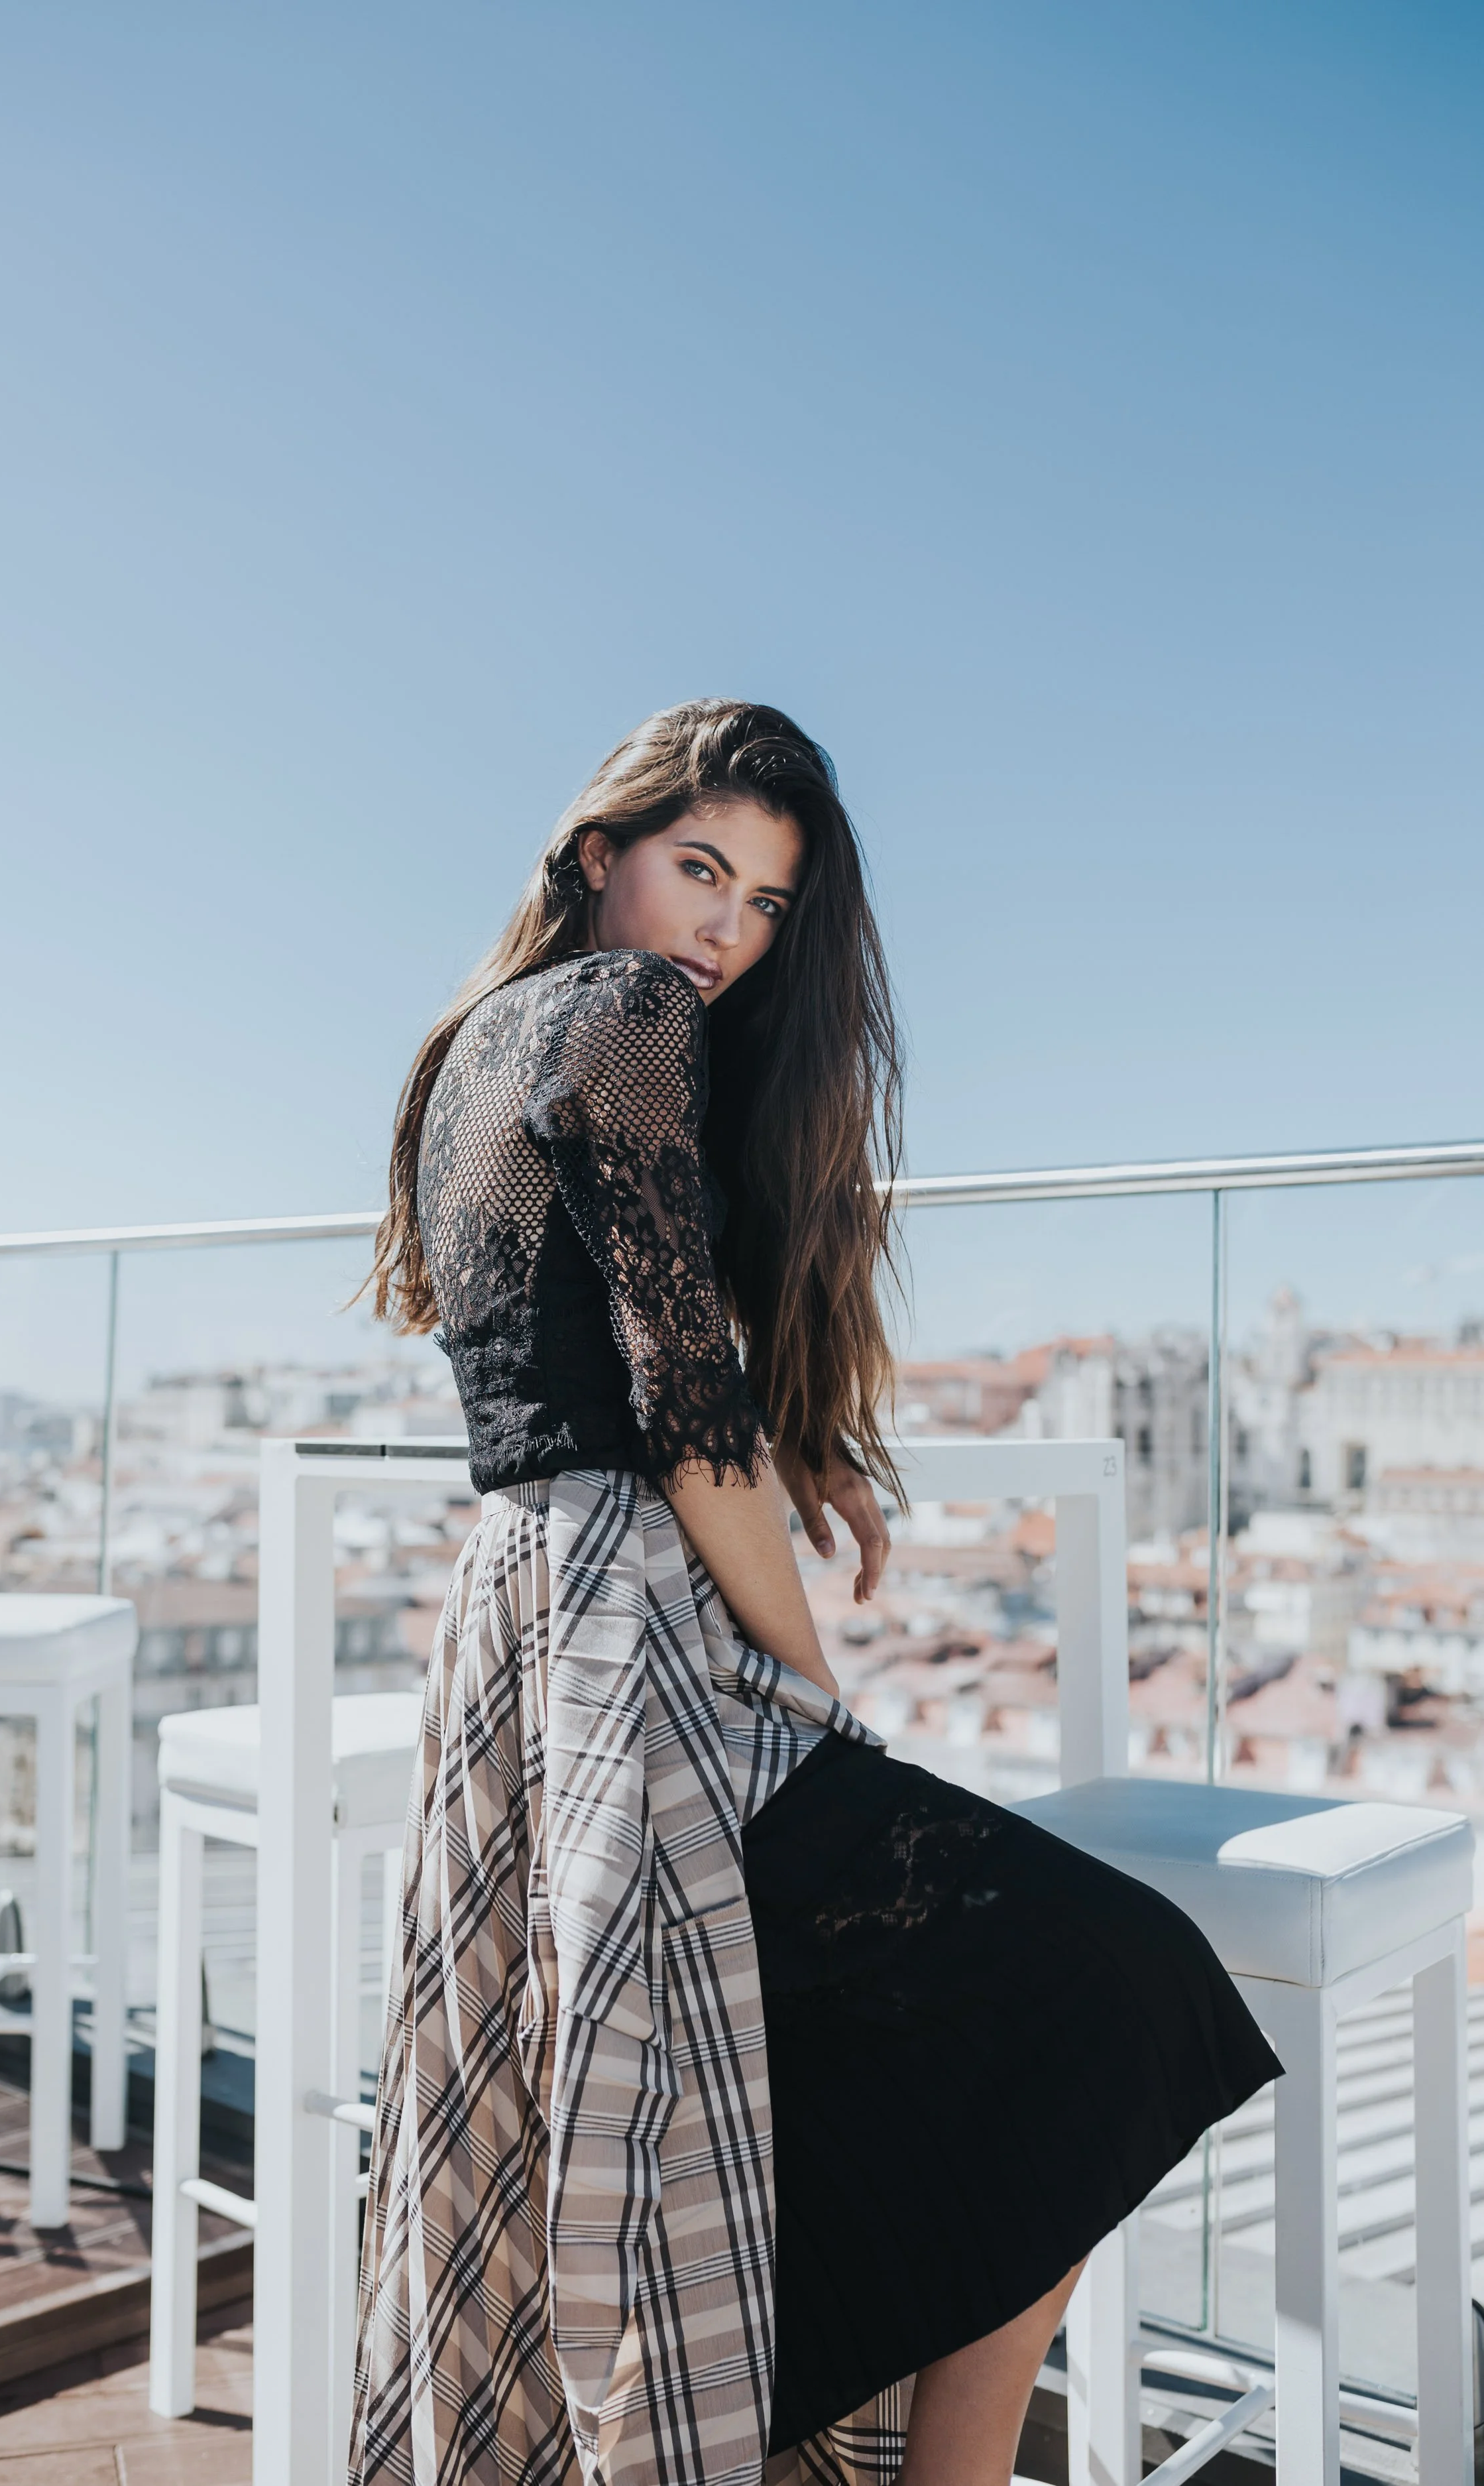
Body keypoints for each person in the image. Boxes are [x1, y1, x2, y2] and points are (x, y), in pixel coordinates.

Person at [349, 701, 1279, 2486]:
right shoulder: (619, 1016)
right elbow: (682, 1429)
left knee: (847, 2053)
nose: (724, 929)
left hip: (521, 1637)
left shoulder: (470, 1042)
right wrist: (812, 1674)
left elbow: (599, 1358)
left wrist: (804, 1444)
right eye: (699, 869)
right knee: (1114, 1991)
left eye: (766, 903)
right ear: (597, 849)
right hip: (638, 1635)